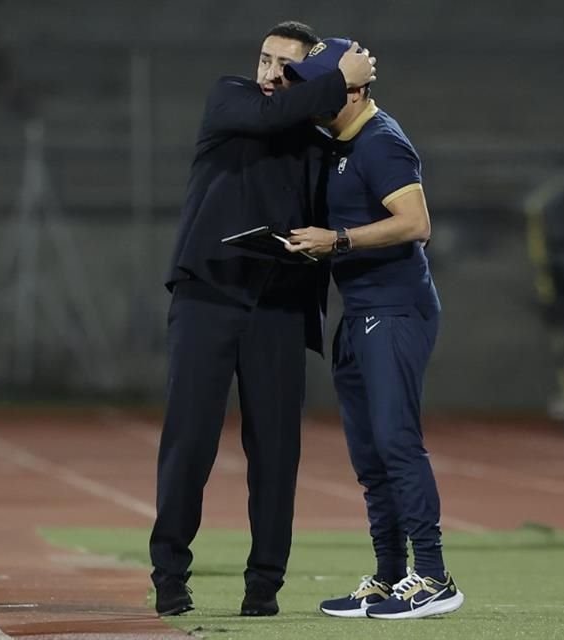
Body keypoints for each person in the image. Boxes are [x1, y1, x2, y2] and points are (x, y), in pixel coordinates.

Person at [150, 22, 376, 617]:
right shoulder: (230, 98)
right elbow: (270, 116)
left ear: (306, 74)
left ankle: (264, 586)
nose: (270, 72)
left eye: (285, 65)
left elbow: (353, 147)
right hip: (209, 294)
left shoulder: (320, 135)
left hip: (279, 304)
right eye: (265, 59)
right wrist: (335, 79)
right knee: (190, 440)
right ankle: (169, 576)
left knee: (276, 452)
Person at [284, 38, 465, 620]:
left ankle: (434, 577)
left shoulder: (381, 140)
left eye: (325, 84)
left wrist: (337, 240)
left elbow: (416, 223)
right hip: (362, 311)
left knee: (395, 443)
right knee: (369, 453)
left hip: (393, 309)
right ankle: (390, 575)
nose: (314, 94)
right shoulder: (342, 141)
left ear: (354, 89)